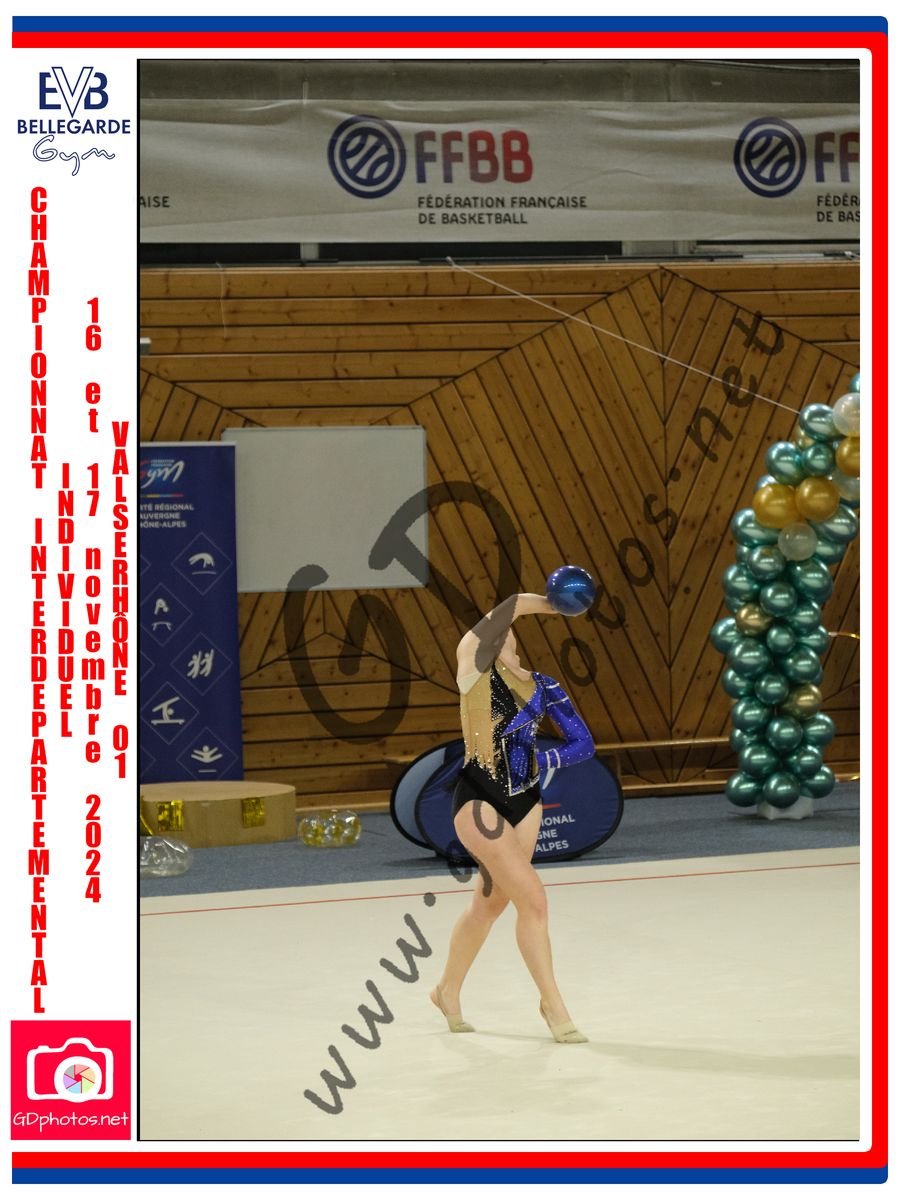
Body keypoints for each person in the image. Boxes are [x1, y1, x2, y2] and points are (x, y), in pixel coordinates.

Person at [430, 592, 596, 1043]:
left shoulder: (543, 685)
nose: (493, 629)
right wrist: (555, 604)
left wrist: (546, 760)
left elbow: (583, 744)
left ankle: (446, 990)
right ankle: (552, 1005)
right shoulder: (474, 672)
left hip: (526, 801)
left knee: (489, 905)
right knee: (534, 901)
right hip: (478, 799)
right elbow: (515, 603)